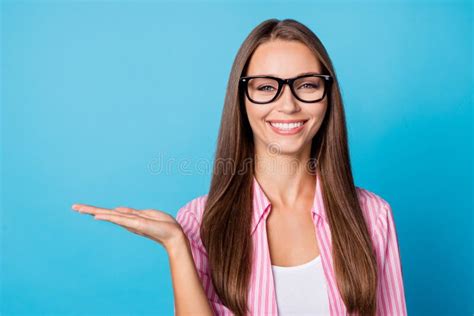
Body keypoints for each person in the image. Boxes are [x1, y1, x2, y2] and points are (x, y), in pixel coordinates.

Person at [72, 18, 408, 316]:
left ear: (328, 96)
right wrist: (176, 244)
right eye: (265, 87)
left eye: (307, 85)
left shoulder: (372, 216)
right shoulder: (199, 223)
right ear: (242, 99)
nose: (288, 104)